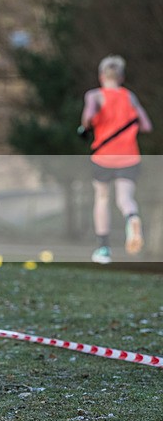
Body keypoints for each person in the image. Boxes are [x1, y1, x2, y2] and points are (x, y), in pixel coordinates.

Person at [80, 55, 152, 264]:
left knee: (102, 199)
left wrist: (87, 124)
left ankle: (103, 249)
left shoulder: (95, 95)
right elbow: (146, 126)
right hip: (129, 156)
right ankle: (132, 218)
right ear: (121, 77)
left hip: (104, 157)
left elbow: (87, 119)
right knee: (125, 199)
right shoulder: (130, 97)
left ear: (101, 76)